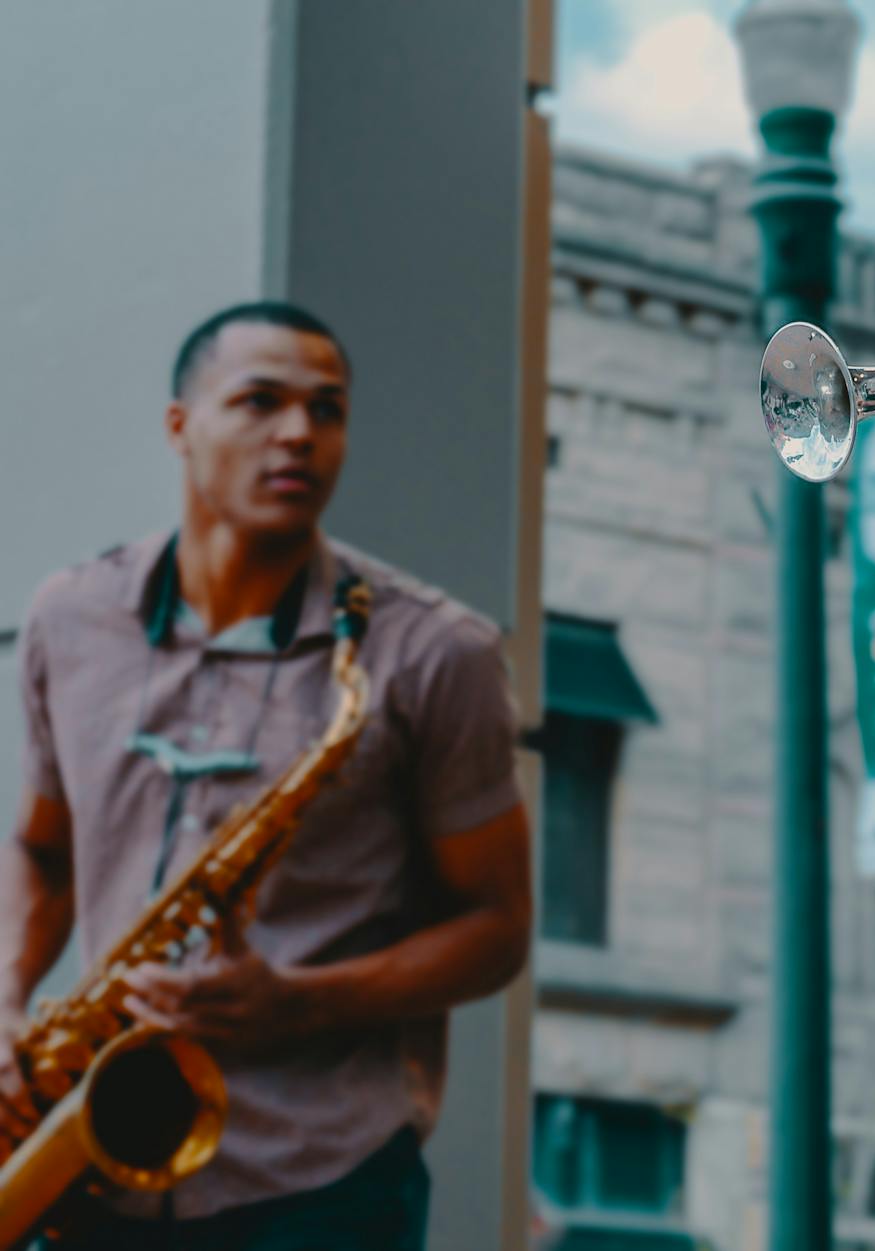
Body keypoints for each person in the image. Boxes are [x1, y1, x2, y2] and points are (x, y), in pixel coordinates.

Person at [0, 301, 533, 1249]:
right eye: (260, 402)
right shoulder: (70, 618)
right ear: (179, 427)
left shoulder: (434, 652)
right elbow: (43, 852)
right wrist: (6, 1000)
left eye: (327, 411)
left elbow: (495, 930)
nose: (300, 433)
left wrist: (299, 999)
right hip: (85, 1173)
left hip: (318, 1184)